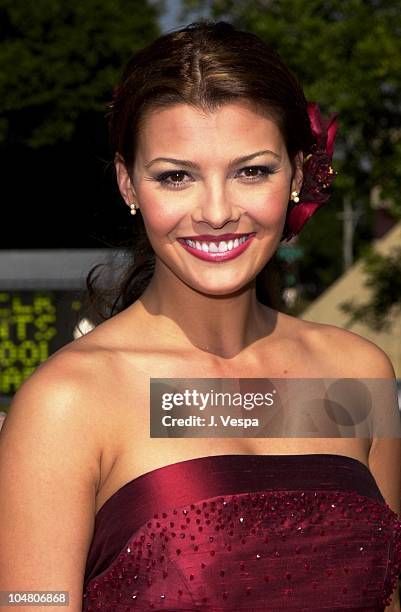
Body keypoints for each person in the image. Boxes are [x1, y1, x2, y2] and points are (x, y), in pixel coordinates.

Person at [0, 19, 400, 612]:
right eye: (176, 176)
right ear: (127, 184)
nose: (216, 211)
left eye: (251, 171)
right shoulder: (70, 402)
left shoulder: (357, 372)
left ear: (297, 173)